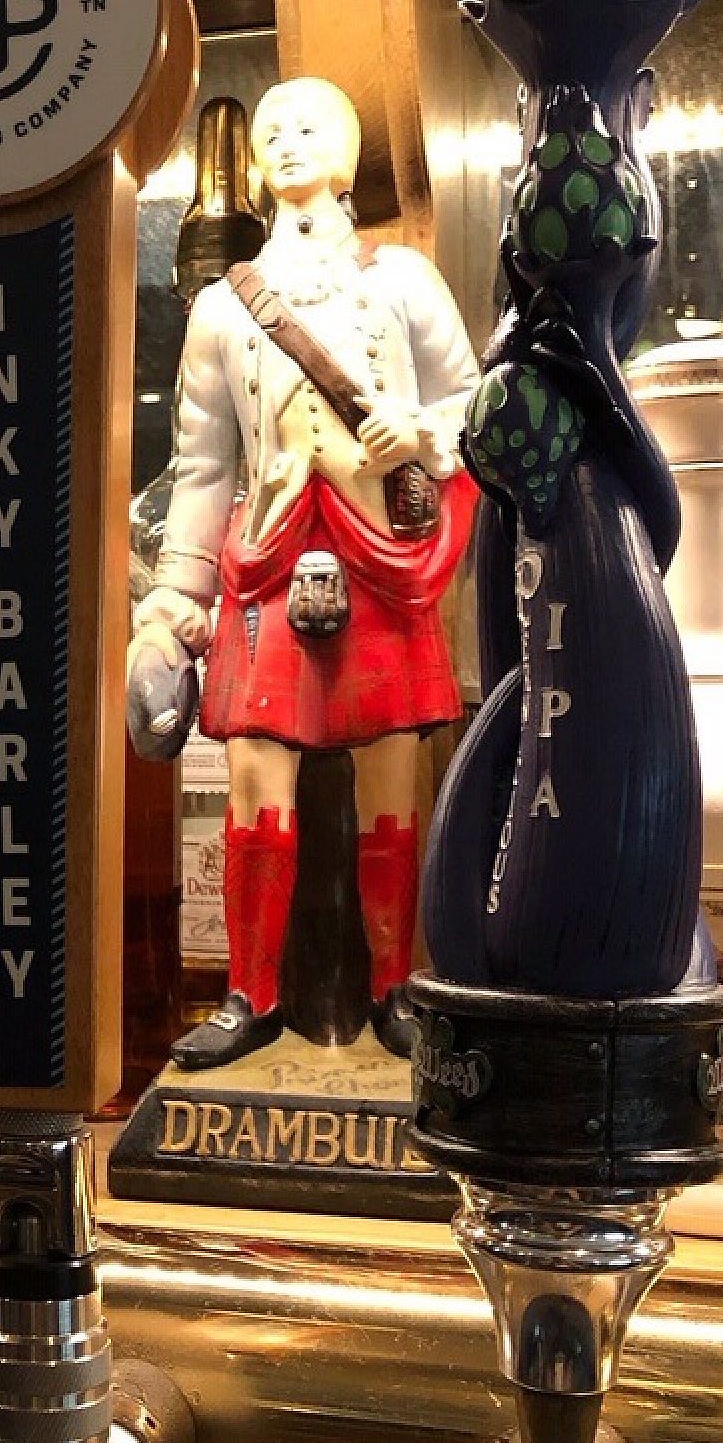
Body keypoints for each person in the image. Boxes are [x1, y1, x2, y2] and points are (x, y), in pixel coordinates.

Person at [129, 77, 480, 1071]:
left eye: (309, 125)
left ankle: (393, 988)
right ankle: (252, 991)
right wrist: (175, 603)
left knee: (393, 780)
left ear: (349, 147)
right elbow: (201, 467)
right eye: (271, 129)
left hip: (385, 564)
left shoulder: (404, 283)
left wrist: (424, 432)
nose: (286, 141)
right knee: (254, 781)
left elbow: (472, 403)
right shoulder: (221, 311)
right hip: (271, 561)